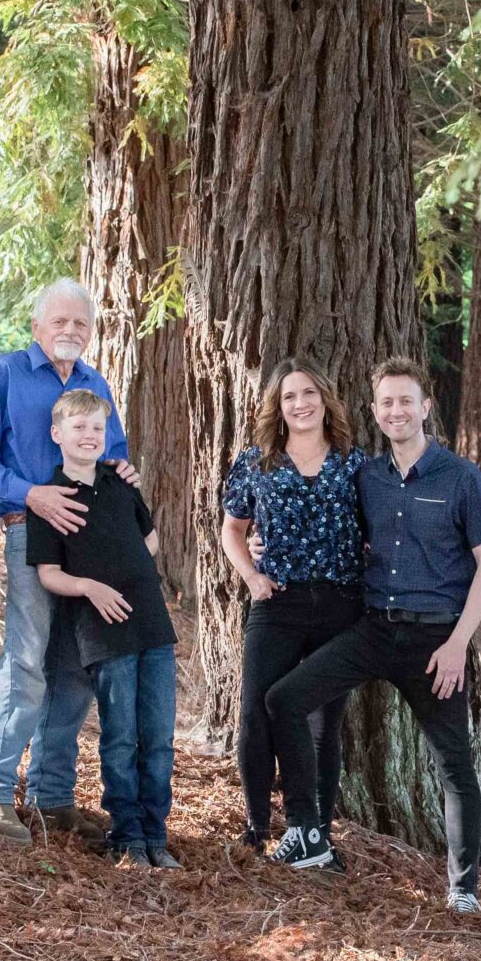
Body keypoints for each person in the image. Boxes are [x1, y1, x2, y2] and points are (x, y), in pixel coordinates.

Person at [263, 357, 481, 912]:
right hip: (373, 629)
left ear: (425, 408)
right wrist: (261, 549)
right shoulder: (365, 476)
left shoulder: (460, 476)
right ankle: (305, 830)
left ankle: (463, 888)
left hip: (435, 642)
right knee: (285, 698)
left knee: (454, 764)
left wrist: (458, 644)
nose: (396, 411)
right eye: (386, 403)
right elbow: (321, 526)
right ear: (375, 412)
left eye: (406, 401)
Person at [0, 280, 132, 844]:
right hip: (28, 529)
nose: (71, 332)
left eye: (81, 324)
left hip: (89, 538)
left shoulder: (93, 383)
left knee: (75, 666)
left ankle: (52, 794)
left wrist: (122, 475)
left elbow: (115, 453)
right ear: (37, 326)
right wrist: (32, 493)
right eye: (60, 322)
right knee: (27, 659)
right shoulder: (7, 374)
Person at [29, 390, 180, 868]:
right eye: (79, 427)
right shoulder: (52, 497)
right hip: (103, 630)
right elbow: (48, 573)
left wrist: (130, 570)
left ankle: (157, 836)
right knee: (120, 737)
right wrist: (93, 587)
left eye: (98, 428)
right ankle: (127, 837)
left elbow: (149, 539)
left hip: (152, 624)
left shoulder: (120, 482)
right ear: (58, 435)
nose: (90, 435)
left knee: (158, 737)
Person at [218, 364, 362, 853]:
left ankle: (315, 831)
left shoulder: (354, 462)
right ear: (277, 409)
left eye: (308, 393)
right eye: (288, 397)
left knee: (325, 721)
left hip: (341, 605)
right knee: (257, 710)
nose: (300, 404)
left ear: (325, 398)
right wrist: (252, 577)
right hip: (277, 602)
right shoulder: (257, 463)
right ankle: (259, 825)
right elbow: (231, 530)